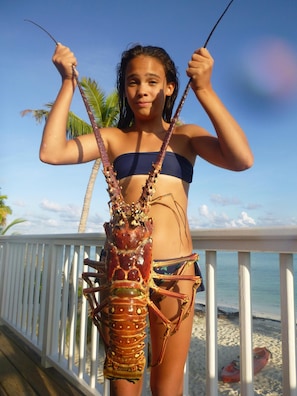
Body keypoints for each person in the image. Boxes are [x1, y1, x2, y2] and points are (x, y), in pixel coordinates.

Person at [40, 42, 253, 396]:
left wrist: (204, 89)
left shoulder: (185, 136)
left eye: (153, 81)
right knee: (124, 381)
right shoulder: (113, 138)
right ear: (124, 88)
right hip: (120, 278)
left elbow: (241, 158)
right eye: (133, 81)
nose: (142, 90)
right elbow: (51, 152)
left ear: (170, 87)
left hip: (175, 273)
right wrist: (67, 83)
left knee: (168, 385)